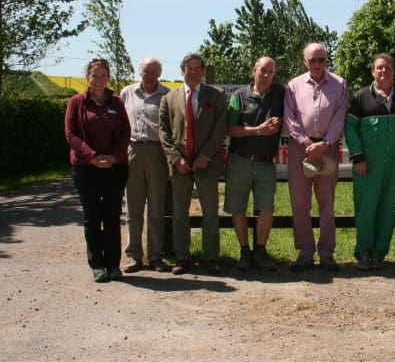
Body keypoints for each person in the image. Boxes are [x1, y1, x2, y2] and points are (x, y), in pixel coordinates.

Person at [346, 53, 395, 271]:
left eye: (387, 67)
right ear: (372, 72)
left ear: (393, 71)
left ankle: (379, 254)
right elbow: (349, 128)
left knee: (388, 208)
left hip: (393, 164)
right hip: (367, 164)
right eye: (379, 68)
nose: (383, 71)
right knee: (366, 208)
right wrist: (358, 157)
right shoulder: (360, 97)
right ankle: (364, 252)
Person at [159, 53, 227, 275]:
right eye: (190, 68)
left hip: (206, 164)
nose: (194, 72)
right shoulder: (169, 99)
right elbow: (164, 132)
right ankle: (182, 257)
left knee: (210, 214)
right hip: (179, 165)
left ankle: (210, 258)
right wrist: (175, 158)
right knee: (180, 214)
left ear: (203, 71)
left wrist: (205, 156)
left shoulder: (215, 96)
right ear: (182, 70)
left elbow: (220, 128)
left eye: (198, 68)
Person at [65, 58, 131, 282]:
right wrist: (92, 157)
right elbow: (71, 134)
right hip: (86, 169)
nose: (99, 80)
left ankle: (113, 264)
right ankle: (97, 265)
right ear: (88, 77)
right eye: (95, 75)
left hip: (115, 168)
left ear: (108, 78)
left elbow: (125, 132)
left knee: (112, 217)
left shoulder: (117, 103)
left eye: (103, 75)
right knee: (92, 217)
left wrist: (114, 157)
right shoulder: (76, 103)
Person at [284, 43, 348, 272]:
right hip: (301, 148)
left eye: (322, 60)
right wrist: (307, 143)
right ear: (305, 61)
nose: (318, 64)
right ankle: (305, 252)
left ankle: (327, 253)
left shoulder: (339, 84)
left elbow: (340, 116)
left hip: (328, 148)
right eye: (313, 60)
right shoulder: (293, 85)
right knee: (300, 202)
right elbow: (289, 117)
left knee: (327, 202)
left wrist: (325, 143)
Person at [224, 57, 284, 272]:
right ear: (254, 71)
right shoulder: (239, 96)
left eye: (270, 71)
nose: (266, 75)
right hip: (239, 160)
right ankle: (244, 252)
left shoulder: (280, 94)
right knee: (237, 208)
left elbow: (295, 114)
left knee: (267, 209)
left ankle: (260, 250)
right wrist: (258, 130)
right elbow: (230, 129)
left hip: (265, 164)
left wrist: (280, 122)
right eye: (263, 70)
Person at [120, 57, 171, 273]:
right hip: (133, 150)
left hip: (157, 151)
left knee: (157, 208)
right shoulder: (127, 93)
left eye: (153, 71)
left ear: (159, 73)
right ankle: (133, 256)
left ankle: (156, 256)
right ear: (139, 71)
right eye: (145, 70)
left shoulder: (168, 95)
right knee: (133, 208)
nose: (149, 74)